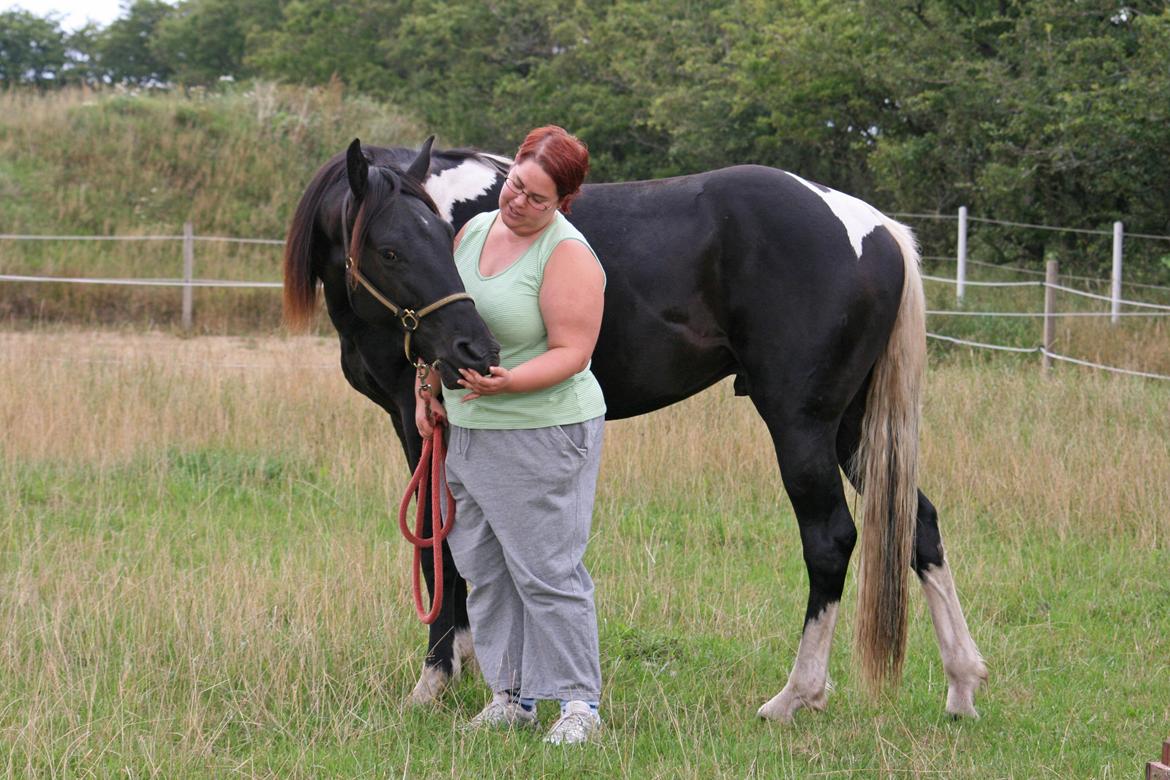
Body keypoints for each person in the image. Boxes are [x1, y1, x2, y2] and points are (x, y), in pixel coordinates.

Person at [415, 126, 607, 745]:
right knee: (486, 569)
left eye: (538, 199)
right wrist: (429, 386)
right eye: (517, 185)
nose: (519, 202)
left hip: (542, 432)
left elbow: (574, 352)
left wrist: (510, 383)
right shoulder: (473, 231)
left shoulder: (567, 254)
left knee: (546, 571)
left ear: (563, 203)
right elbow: (444, 324)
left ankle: (579, 705)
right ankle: (513, 695)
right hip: (469, 431)